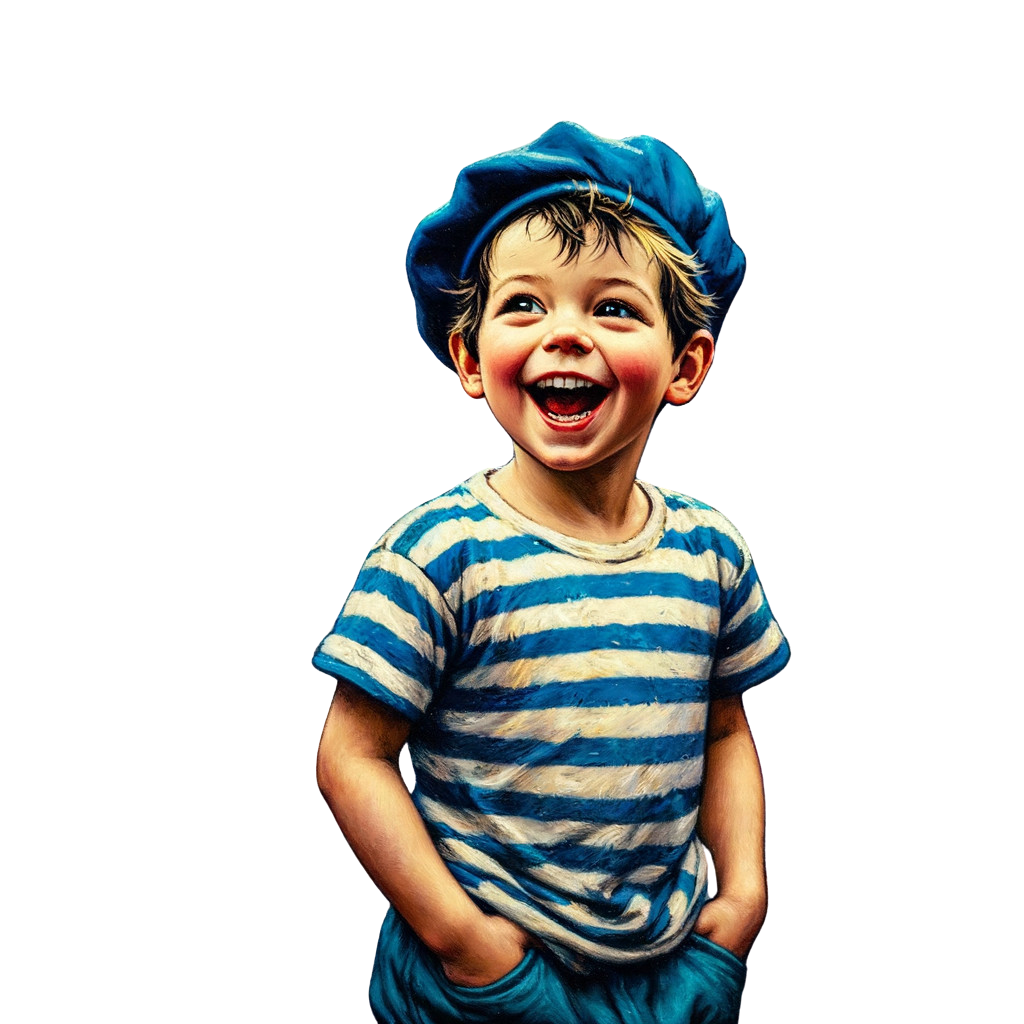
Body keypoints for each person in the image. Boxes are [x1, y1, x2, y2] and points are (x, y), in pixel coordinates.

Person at [314, 121, 790, 1023]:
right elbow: (351, 759)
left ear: (686, 365)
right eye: (525, 306)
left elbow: (724, 729)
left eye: (612, 308)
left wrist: (743, 902)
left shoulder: (710, 550)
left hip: (673, 970)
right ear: (467, 356)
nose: (564, 334)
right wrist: (465, 943)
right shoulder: (437, 553)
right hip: (482, 982)